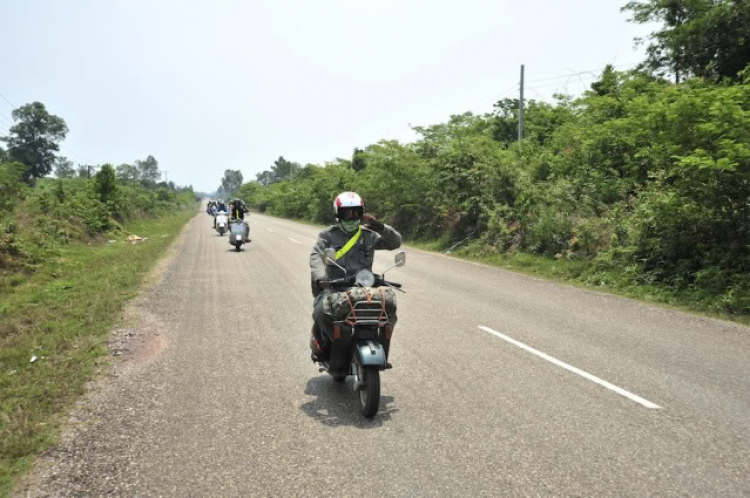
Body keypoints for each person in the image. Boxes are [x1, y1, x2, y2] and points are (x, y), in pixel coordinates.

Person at [309, 191, 401, 367]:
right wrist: (321, 277)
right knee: (321, 311)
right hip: (335, 286)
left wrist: (378, 225)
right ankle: (332, 345)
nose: (352, 217)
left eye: (356, 212)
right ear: (338, 214)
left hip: (365, 287)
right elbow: (316, 256)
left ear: (362, 213)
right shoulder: (328, 235)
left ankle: (379, 345)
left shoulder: (369, 235)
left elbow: (395, 243)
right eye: (347, 213)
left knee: (389, 310)